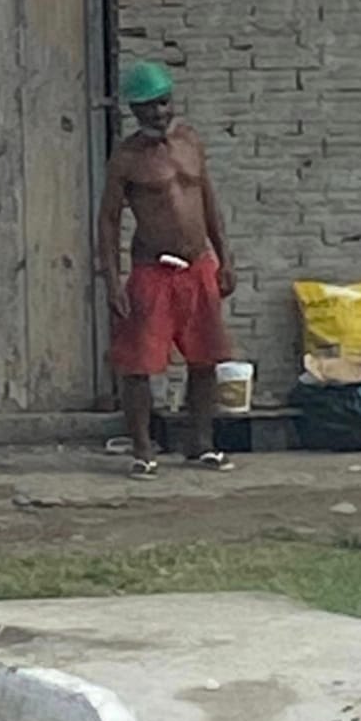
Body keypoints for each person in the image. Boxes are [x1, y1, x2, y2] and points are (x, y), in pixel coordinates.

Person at [97, 60, 237, 477]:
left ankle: (201, 443)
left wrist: (225, 257)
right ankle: (143, 451)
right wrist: (112, 280)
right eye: (149, 106)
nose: (159, 113)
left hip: (198, 266)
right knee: (139, 363)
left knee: (206, 358)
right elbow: (108, 221)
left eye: (163, 102)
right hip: (153, 269)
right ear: (134, 110)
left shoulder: (190, 141)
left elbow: (209, 202)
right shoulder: (126, 158)